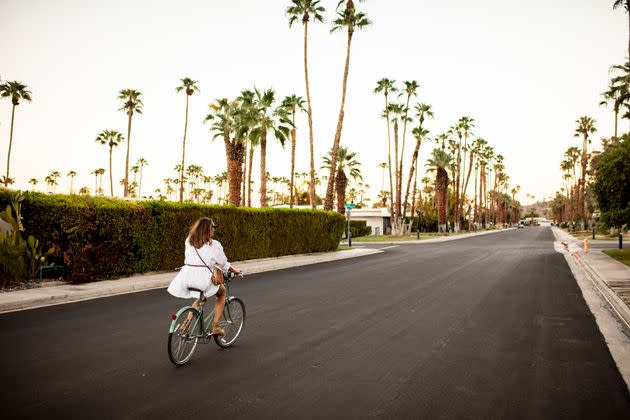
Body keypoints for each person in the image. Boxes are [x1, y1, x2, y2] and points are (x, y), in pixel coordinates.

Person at [167, 217, 241, 336]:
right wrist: (235, 271)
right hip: (202, 279)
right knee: (222, 293)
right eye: (213, 227)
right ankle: (216, 327)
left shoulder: (189, 241)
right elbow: (223, 263)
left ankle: (187, 322)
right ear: (208, 229)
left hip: (186, 277)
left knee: (201, 298)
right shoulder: (214, 245)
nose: (214, 230)